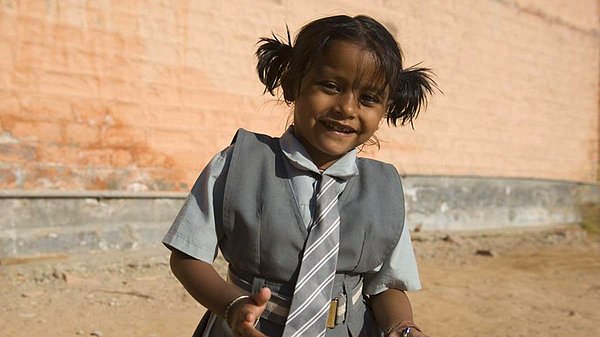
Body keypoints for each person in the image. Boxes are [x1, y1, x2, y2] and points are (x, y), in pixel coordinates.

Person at [163, 14, 436, 337]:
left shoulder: (384, 190)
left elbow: (385, 286)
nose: (347, 108)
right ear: (293, 84)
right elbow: (187, 256)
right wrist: (234, 306)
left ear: (387, 108)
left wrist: (402, 327)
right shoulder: (239, 163)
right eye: (331, 86)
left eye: (369, 98)